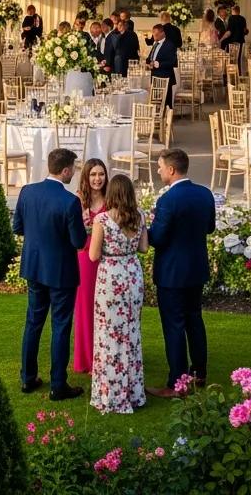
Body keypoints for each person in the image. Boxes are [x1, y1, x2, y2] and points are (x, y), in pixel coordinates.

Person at [14, 147, 87, 400]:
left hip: (34, 268)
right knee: (60, 327)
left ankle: (27, 378)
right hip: (61, 273)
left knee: (33, 323)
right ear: (65, 170)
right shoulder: (70, 202)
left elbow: (18, 228)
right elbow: (78, 242)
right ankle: (58, 384)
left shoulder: (27, 192)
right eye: (74, 169)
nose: (74, 173)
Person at [147, 148, 216, 397]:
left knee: (174, 326)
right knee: (194, 320)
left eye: (160, 166)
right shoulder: (205, 194)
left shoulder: (167, 201)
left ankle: (177, 382)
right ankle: (199, 373)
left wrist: (145, 228)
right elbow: (210, 228)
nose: (158, 170)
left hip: (172, 273)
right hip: (196, 269)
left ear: (171, 170)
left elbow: (156, 238)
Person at [89, 175, 149, 414]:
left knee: (107, 334)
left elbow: (93, 255)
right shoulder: (139, 216)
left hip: (111, 277)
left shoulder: (102, 219)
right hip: (132, 275)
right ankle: (133, 394)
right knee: (131, 332)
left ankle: (110, 393)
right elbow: (144, 248)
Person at [73, 158, 107, 374]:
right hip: (85, 258)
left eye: (101, 174)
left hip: (106, 259)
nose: (97, 179)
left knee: (105, 309)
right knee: (85, 308)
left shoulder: (111, 200)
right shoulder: (77, 201)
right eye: (93, 174)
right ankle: (86, 359)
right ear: (86, 177)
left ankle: (105, 355)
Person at [147, 23, 178, 107]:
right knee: (155, 101)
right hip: (154, 76)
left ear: (162, 33)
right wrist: (148, 63)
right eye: (153, 33)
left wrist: (158, 64)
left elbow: (172, 62)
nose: (154, 36)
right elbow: (149, 58)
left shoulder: (170, 45)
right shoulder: (155, 44)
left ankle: (167, 118)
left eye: (156, 34)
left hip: (165, 76)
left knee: (166, 102)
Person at [220, 5, 248, 74]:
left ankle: (230, 75)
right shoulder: (243, 19)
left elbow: (229, 32)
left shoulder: (231, 18)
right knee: (238, 59)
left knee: (231, 60)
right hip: (241, 41)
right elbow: (245, 31)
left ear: (233, 11)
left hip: (232, 42)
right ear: (239, 11)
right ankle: (238, 73)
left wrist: (221, 39)